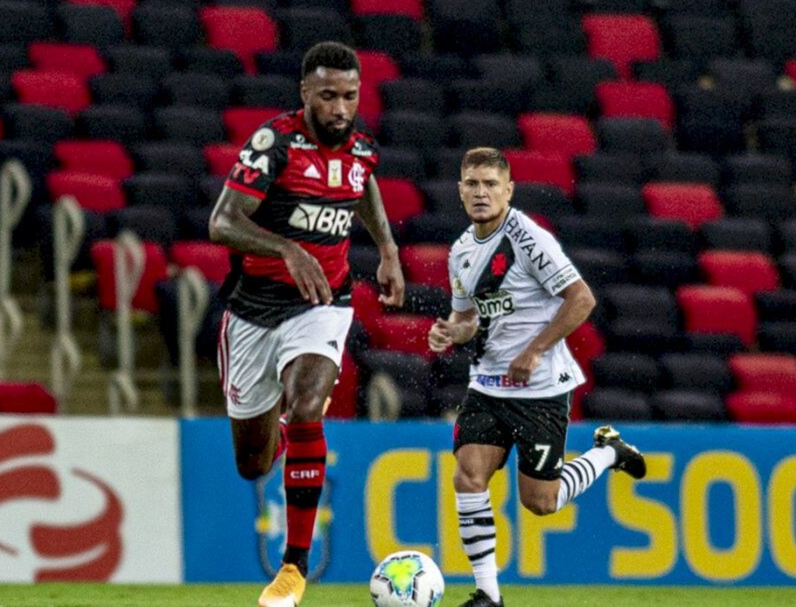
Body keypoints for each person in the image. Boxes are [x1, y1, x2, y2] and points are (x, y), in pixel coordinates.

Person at [209, 41, 404, 606]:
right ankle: (277, 427)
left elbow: (359, 182)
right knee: (252, 464)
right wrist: (288, 250)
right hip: (253, 309)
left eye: (349, 96)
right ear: (305, 94)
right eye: (328, 96)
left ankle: (293, 568)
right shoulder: (276, 142)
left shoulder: (362, 147)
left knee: (308, 401)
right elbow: (222, 222)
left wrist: (386, 248)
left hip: (323, 302)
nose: (340, 108)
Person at [428, 148, 647, 607]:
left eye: (491, 184)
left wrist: (534, 350)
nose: (481, 192)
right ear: (460, 190)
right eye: (472, 183)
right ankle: (488, 595)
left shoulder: (529, 239)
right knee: (468, 478)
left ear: (509, 190)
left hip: (541, 389)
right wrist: (451, 331)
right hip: (487, 384)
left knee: (540, 503)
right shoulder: (461, 251)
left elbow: (582, 299)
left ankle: (607, 454)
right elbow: (468, 319)